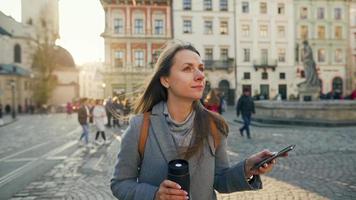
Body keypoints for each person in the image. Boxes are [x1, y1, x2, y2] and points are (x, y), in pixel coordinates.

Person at [111, 42, 280, 200]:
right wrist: (155, 194)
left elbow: (219, 179)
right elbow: (120, 184)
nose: (200, 76)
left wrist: (246, 168)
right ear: (165, 80)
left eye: (201, 68)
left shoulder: (215, 125)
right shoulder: (140, 126)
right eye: (187, 69)